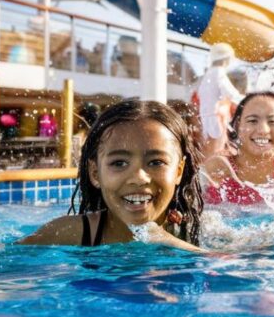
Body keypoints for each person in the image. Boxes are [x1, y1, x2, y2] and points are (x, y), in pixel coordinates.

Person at [19, 99, 202, 250]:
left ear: (178, 171)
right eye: (119, 163)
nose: (139, 177)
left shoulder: (200, 230)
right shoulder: (69, 233)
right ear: (95, 173)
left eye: (156, 162)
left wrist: (166, 240)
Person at [203, 91, 274, 205]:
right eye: (252, 121)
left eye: (272, 121)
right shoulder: (220, 166)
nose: (263, 130)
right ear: (237, 125)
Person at [197, 42, 244, 159]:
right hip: (216, 118)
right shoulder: (219, 72)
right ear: (226, 58)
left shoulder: (208, 73)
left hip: (205, 117)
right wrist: (247, 101)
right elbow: (230, 93)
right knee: (216, 152)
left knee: (208, 152)